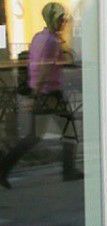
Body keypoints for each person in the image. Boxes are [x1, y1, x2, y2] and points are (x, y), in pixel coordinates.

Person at [0, 2, 83, 189]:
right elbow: (45, 68)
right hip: (50, 93)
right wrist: (36, 94)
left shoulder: (39, 37)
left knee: (34, 136)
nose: (64, 22)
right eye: (61, 19)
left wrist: (34, 92)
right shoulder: (52, 42)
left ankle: (3, 169)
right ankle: (68, 170)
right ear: (54, 19)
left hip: (42, 92)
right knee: (69, 131)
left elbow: (36, 64)